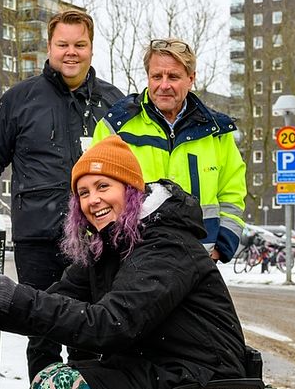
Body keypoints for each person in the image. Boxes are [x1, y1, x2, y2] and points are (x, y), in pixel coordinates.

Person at [0, 136, 248, 389]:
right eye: (83, 192)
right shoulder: (108, 246)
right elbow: (60, 299)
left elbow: (113, 324)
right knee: (51, 379)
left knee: (60, 386)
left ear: (131, 190)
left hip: (201, 375)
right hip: (150, 366)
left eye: (103, 186)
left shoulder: (166, 243)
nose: (93, 200)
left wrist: (19, 298)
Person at [0, 10, 124, 378]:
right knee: (40, 328)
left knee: (90, 329)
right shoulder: (20, 99)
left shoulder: (114, 102)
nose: (71, 52)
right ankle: (43, 388)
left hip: (97, 238)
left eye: (80, 44)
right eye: (63, 44)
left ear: (91, 47)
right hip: (38, 239)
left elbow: (132, 167)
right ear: (49, 47)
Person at [92, 38, 246, 263]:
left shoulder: (217, 132)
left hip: (199, 258)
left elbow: (232, 194)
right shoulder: (115, 127)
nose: (164, 85)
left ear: (191, 79)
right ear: (148, 77)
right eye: (157, 76)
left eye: (173, 77)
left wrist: (222, 247)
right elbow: (93, 191)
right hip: (134, 258)